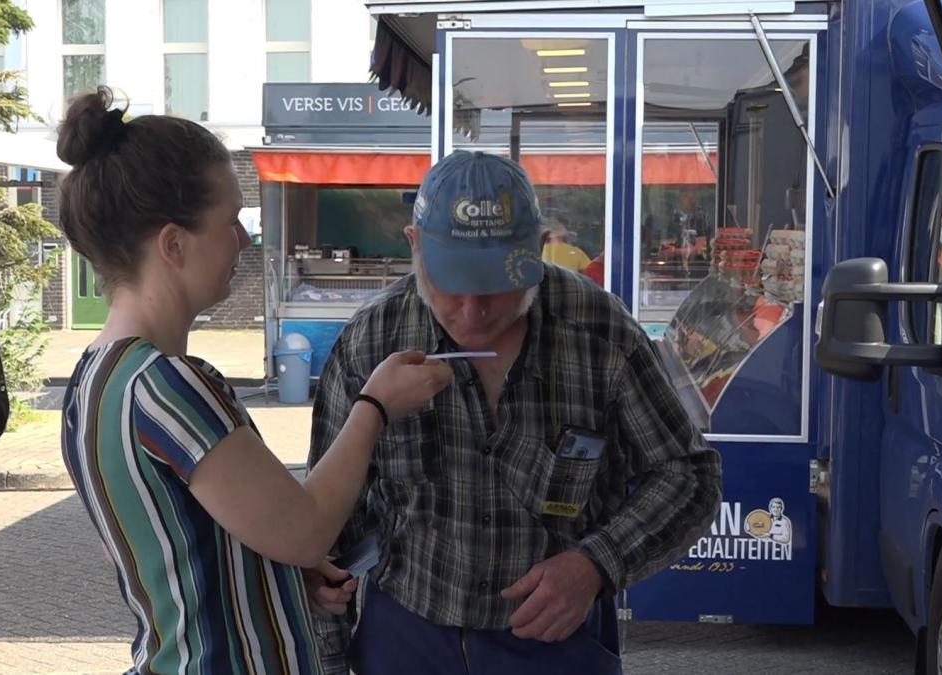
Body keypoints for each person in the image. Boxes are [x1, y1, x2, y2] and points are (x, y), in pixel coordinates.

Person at [55, 87, 453, 674]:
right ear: (173, 244)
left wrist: (273, 578)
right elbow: (305, 531)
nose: (243, 241)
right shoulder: (171, 387)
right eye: (230, 222)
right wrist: (374, 405)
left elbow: (196, 541)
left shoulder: (94, 378)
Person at [305, 150, 723, 674]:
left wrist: (597, 563)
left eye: (497, 285)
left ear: (540, 247)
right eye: (452, 284)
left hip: (555, 636)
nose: (474, 312)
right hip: (406, 633)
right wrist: (327, 655)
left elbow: (687, 474)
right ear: (414, 246)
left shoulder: (601, 334)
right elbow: (324, 526)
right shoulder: (371, 340)